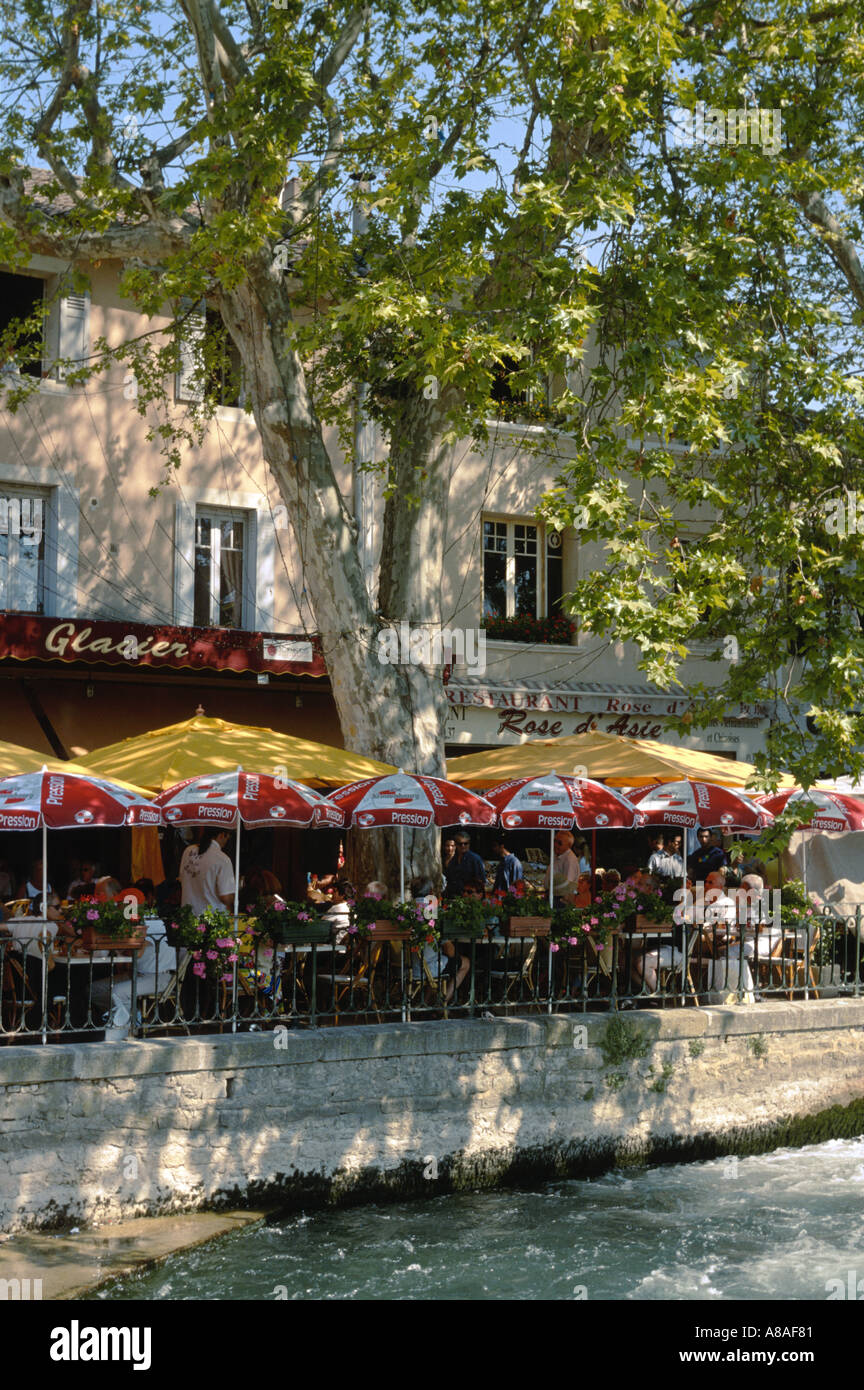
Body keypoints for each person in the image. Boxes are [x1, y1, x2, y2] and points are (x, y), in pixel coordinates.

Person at [179, 829, 236, 914]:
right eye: (227, 836)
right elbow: (226, 897)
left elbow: (181, 879)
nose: (227, 840)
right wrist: (234, 896)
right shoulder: (223, 859)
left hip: (188, 917)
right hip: (211, 919)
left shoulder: (188, 851)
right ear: (221, 835)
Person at [444, 832, 486, 897]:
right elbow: (449, 879)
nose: (463, 846)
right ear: (456, 845)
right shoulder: (453, 860)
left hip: (470, 897)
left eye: (466, 843)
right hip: (453, 896)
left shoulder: (475, 859)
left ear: (469, 844)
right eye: (460, 844)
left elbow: (481, 881)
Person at [543, 829, 581, 902]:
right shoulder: (557, 854)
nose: (555, 844)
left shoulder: (569, 860)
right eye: (555, 841)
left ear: (569, 845)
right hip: (552, 896)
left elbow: (567, 886)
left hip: (560, 899)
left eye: (560, 843)